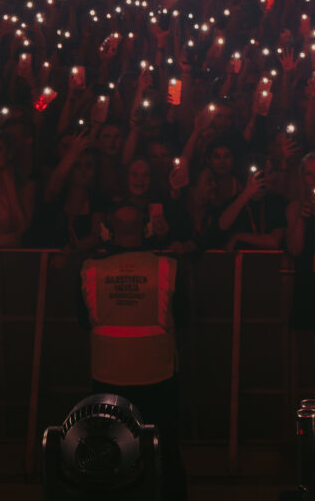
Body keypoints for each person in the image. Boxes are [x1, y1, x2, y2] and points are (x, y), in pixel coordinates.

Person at [79, 203, 188, 500]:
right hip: (158, 376)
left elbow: (82, 320)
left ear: (107, 230)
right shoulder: (167, 267)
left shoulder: (91, 269)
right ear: (147, 228)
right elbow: (185, 317)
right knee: (165, 452)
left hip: (107, 377)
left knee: (109, 455)